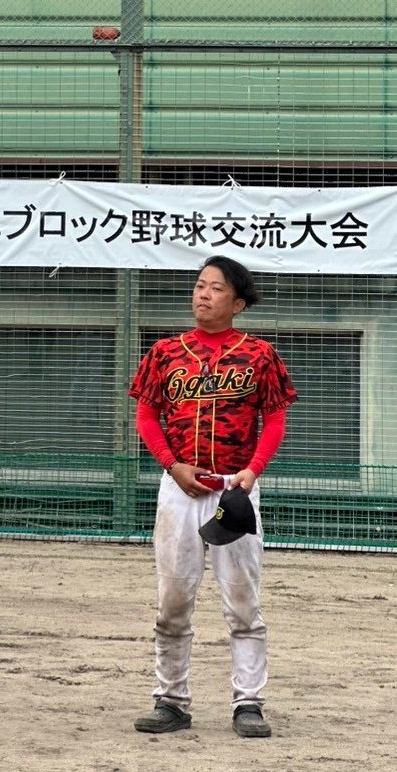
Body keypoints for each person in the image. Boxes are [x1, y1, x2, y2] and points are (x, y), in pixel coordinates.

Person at [128, 254, 297, 738]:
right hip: (180, 487)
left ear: (238, 303)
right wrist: (171, 464)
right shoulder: (166, 352)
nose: (204, 294)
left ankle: (248, 703)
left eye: (217, 288)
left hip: (234, 488)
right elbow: (146, 416)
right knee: (172, 599)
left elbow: (275, 419)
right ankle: (171, 701)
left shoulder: (259, 354)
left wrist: (253, 471)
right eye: (200, 285)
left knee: (242, 601)